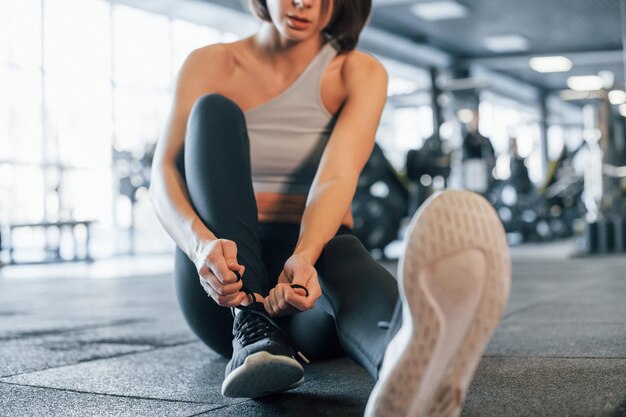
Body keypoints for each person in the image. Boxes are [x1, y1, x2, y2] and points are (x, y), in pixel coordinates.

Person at [149, 0, 511, 415]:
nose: (304, 2)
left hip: (309, 262)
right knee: (213, 110)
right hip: (221, 283)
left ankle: (403, 366)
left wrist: (304, 257)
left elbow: (336, 177)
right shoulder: (210, 64)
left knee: (343, 255)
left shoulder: (357, 72)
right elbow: (163, 174)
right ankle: (252, 331)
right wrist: (199, 248)